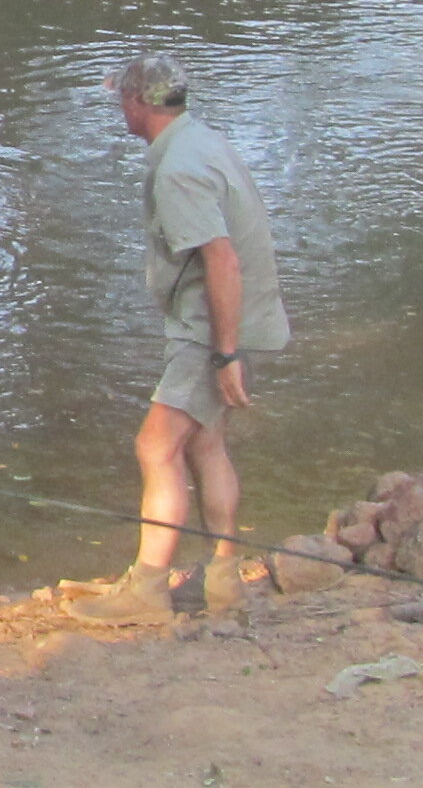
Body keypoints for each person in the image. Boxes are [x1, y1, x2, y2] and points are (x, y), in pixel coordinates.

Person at [61, 49, 287, 633]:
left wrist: (226, 354)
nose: (120, 110)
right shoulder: (201, 140)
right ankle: (222, 577)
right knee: (205, 443)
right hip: (234, 320)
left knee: (154, 448)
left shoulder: (178, 169)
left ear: (138, 105)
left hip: (211, 328)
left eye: (121, 100)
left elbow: (222, 259)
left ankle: (147, 589)